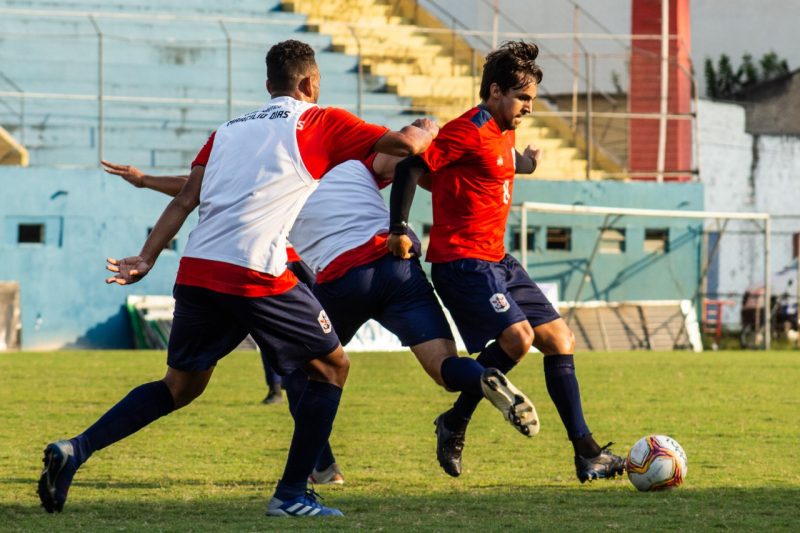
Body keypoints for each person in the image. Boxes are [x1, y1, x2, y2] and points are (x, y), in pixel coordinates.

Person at [37, 39, 435, 518]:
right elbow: (406, 147)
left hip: (198, 269)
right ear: (311, 83)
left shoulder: (226, 131)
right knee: (332, 367)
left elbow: (187, 198)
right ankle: (292, 493)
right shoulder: (321, 120)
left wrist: (146, 257)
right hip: (255, 271)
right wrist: (428, 128)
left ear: (268, 85)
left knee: (179, 387)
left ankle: (75, 449)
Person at [99, 124, 540, 488]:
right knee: (445, 369)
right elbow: (408, 155)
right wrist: (434, 133)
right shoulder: (355, 161)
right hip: (398, 266)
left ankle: (322, 467)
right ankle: (481, 377)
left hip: (342, 277)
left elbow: (196, 190)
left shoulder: (283, 178)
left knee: (302, 370)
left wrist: (146, 181)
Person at [387, 41, 625, 482]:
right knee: (518, 339)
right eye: (523, 98)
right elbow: (410, 169)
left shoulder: (503, 128)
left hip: (498, 260)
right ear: (495, 91)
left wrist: (527, 165)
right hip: (463, 263)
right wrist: (399, 229)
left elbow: (502, 160)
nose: (529, 108)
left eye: (532, 99)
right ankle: (456, 421)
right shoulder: (467, 130)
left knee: (560, 339)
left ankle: (587, 453)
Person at [99, 160, 311, 406]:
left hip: (296, 259)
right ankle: (279, 387)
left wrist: (145, 180)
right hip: (260, 260)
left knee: (312, 341)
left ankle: (293, 386)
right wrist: (145, 180)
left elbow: (191, 190)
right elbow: (194, 186)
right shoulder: (245, 160)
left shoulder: (297, 158)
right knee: (276, 332)